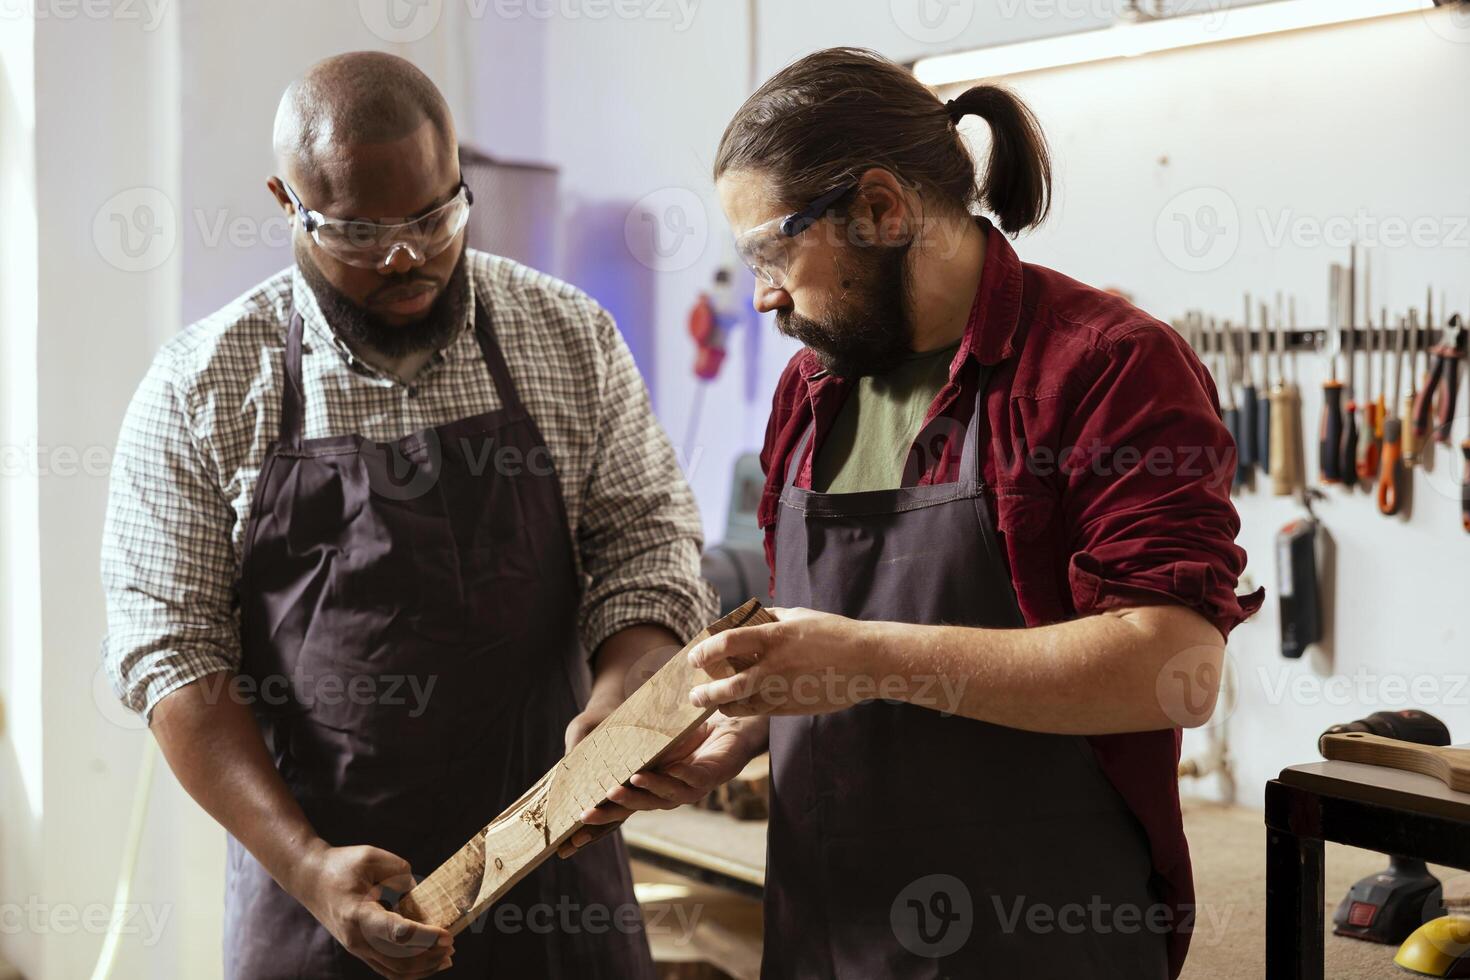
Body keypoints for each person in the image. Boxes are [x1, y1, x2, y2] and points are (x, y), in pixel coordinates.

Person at [568, 47, 1263, 979]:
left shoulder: (1106, 366)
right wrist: (732, 738)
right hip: (826, 935)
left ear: (882, 210)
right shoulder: (811, 388)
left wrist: (862, 658)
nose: (765, 292)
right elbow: (809, 633)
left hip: (1036, 942)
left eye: (773, 250)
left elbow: (1172, 668)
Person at [101, 51, 715, 979]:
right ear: (287, 200)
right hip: (320, 896)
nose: (408, 258)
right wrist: (307, 867)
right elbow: (171, 652)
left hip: (558, 888)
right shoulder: (203, 386)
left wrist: (626, 696)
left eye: (435, 218)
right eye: (360, 233)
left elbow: (647, 547)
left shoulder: (568, 334)